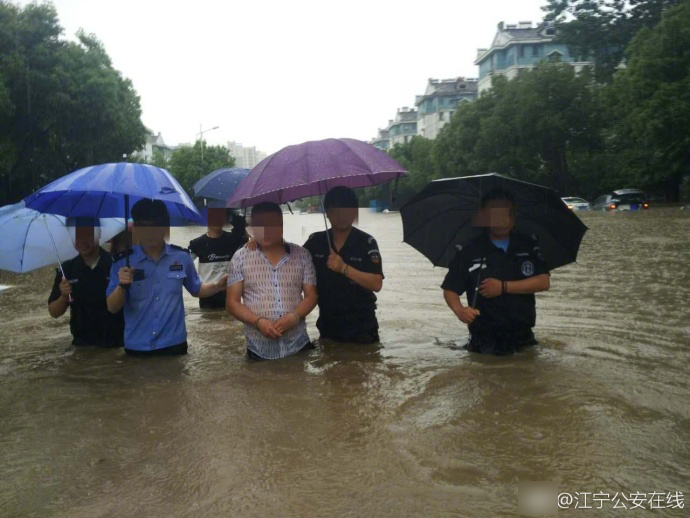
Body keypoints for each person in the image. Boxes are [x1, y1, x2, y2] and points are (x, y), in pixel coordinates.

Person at [106, 199, 228, 356]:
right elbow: (112, 307)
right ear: (135, 228)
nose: (149, 233)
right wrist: (122, 286)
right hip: (137, 347)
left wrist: (218, 285)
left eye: (155, 226)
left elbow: (197, 289)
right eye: (143, 226)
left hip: (175, 346)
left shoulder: (182, 257)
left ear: (165, 227)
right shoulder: (122, 263)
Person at [442, 188, 551, 355]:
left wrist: (504, 287)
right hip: (484, 340)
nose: (502, 221)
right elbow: (450, 289)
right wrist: (460, 311)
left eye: (506, 215)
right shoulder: (469, 250)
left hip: (523, 336)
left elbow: (543, 282)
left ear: (513, 217)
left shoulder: (528, 245)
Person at [226, 202, 318, 361]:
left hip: (298, 345)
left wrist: (294, 317)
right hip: (258, 349)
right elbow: (232, 302)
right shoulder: (240, 257)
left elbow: (312, 296)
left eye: (272, 224)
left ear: (282, 225)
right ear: (252, 227)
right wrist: (258, 322)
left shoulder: (302, 255)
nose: (266, 231)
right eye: (259, 225)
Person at [303, 186, 384, 343]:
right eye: (334, 211)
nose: (340, 216)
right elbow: (291, 261)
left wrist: (344, 268)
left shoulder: (367, 242)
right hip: (328, 326)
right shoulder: (315, 242)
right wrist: (256, 244)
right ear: (327, 213)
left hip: (363, 328)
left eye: (346, 210)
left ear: (354, 212)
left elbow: (377, 283)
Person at [48, 217, 124, 347]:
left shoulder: (117, 264)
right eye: (77, 235)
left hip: (117, 343)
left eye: (88, 234)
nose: (82, 240)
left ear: (99, 234)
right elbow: (54, 312)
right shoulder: (66, 270)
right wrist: (64, 296)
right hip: (82, 345)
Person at [188, 207, 247, 309]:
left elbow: (249, 255)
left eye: (220, 216)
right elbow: (184, 263)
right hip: (207, 295)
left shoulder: (234, 240)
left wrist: (246, 236)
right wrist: (195, 280)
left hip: (230, 294)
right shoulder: (197, 244)